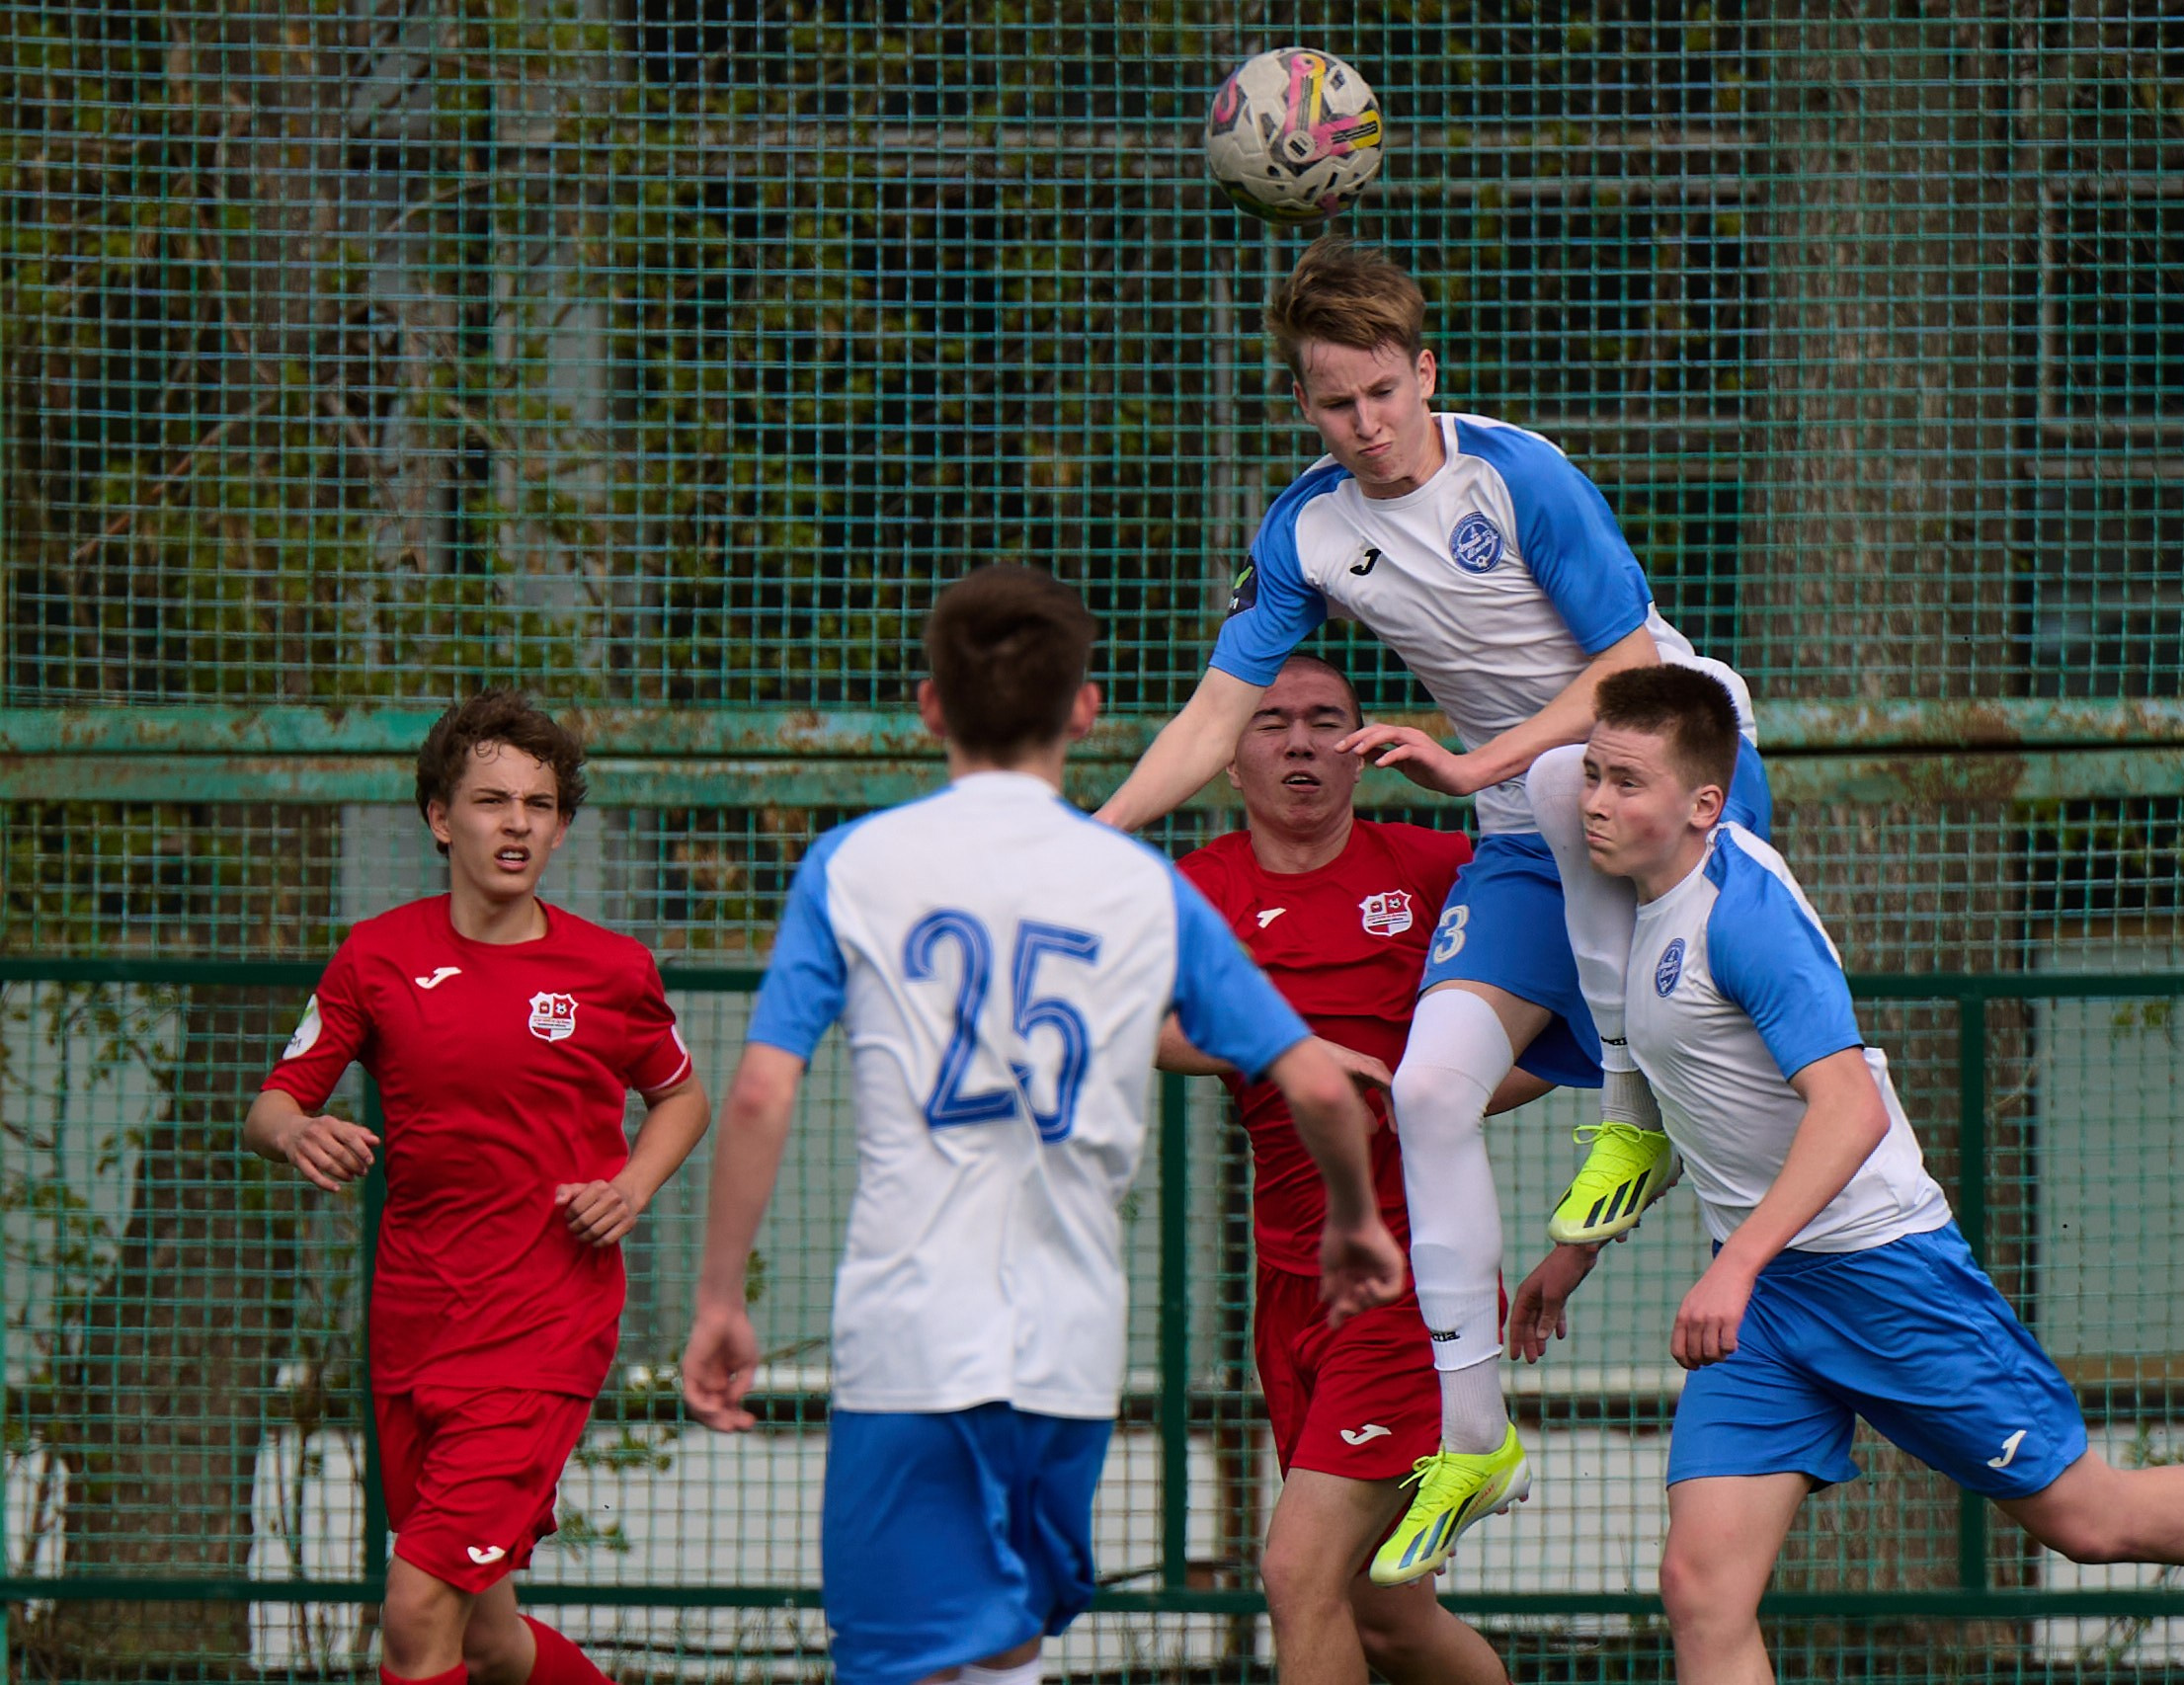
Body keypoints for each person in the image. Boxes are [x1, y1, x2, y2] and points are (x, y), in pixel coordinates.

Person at [1507, 665, 2184, 1685]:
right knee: (1700, 1587)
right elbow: (1676, 1098)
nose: (1594, 800)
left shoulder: (1744, 916)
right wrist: (1574, 1250)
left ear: (1702, 803)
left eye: (1625, 781)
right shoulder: (1639, 910)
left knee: (2085, 1516)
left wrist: (1737, 1264)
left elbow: (1850, 1110)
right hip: (1766, 1300)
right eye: (1592, 774)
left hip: (1882, 1273)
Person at [1095, 232, 1763, 1573]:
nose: (1367, 425)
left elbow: (1630, 673)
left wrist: (1475, 762)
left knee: (1585, 779)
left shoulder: (1517, 475)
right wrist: (1079, 842)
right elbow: (1215, 713)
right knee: (1426, 1088)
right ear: (1305, 403)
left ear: (1425, 372)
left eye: (1386, 392)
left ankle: (1641, 1111)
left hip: (1666, 762)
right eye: (1336, 403)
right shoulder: (1307, 530)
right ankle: (1476, 1433)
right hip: (1527, 809)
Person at [679, 567, 1405, 1685]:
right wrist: (1356, 1217)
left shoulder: (856, 863)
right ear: (1083, 710)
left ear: (930, 707)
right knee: (1006, 1642)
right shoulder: (1139, 882)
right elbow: (1313, 1083)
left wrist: (722, 1295)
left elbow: (765, 1092)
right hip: (1067, 1350)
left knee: (897, 1659)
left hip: (909, 1335)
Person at [248, 690, 711, 1685]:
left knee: (415, 1613)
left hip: (544, 1323)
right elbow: (274, 1102)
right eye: (493, 799)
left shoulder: (609, 969)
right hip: (415, 1322)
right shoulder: (377, 955)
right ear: (438, 816)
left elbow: (681, 1096)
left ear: (560, 823)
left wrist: (632, 1183)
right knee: (486, 1636)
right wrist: (300, 1131)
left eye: (539, 804)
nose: (516, 823)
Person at [1165, 654, 1548, 1678]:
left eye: (1324, 718)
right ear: (1227, 761)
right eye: (1269, 720)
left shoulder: (1434, 868)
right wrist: (1282, 1052)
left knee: (1298, 1572)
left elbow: (1553, 1035)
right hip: (1293, 1285)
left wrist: (1425, 1098)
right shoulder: (1194, 889)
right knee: (1382, 1609)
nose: (1297, 739)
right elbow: (1118, 1021)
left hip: (1411, 1282)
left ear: (1362, 747)